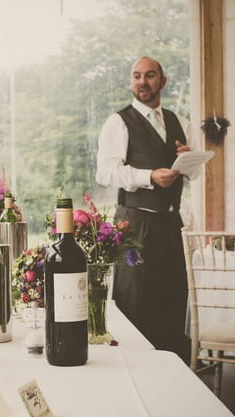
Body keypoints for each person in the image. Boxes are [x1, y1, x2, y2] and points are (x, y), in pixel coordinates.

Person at [96, 56, 193, 362]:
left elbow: (195, 174)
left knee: (173, 298)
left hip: (171, 225)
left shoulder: (180, 122)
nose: (142, 82)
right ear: (131, 82)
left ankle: (173, 375)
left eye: (150, 76)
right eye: (136, 76)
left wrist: (189, 159)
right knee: (136, 302)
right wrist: (148, 176)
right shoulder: (118, 122)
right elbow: (106, 173)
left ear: (162, 82)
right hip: (134, 226)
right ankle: (134, 371)